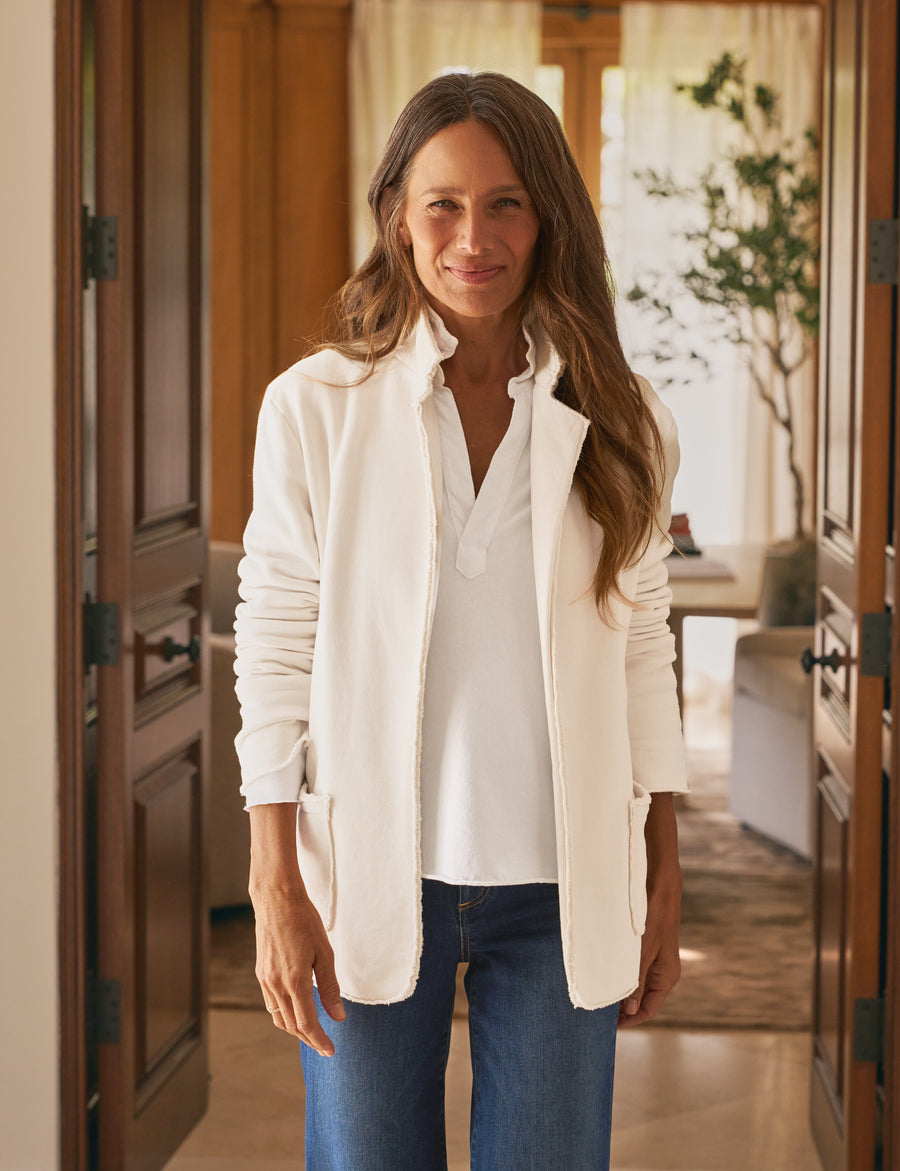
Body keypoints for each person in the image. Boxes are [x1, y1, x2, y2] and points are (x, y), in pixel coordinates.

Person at [234, 70, 687, 1171]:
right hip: (370, 875)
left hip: (561, 883)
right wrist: (274, 878)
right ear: (398, 213)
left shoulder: (621, 419)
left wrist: (663, 872)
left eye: (505, 204)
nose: (472, 236)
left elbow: (641, 644)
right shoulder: (314, 410)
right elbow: (275, 640)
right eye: (443, 203)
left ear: (547, 223)